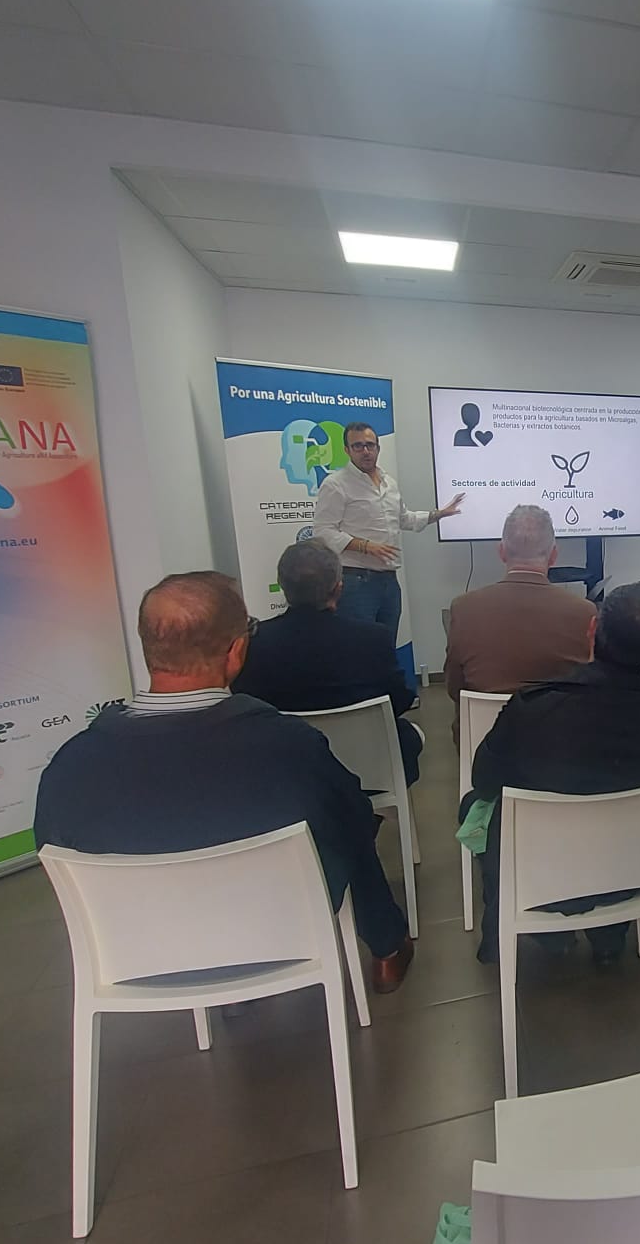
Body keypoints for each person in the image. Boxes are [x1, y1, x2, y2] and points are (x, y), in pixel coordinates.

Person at [34, 572, 414, 992]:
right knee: (347, 821)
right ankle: (387, 946)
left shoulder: (70, 766)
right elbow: (353, 817)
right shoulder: (288, 746)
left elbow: (53, 852)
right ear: (236, 651)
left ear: (148, 648)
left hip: (141, 960)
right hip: (277, 939)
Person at [467, 582, 640, 966]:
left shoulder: (533, 709)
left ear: (592, 630)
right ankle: (609, 937)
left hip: (543, 879)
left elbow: (484, 780)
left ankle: (551, 937)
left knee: (474, 808)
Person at [230, 538, 424, 786]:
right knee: (408, 735)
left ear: (282, 585)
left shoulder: (253, 643)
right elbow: (399, 701)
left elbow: (245, 703)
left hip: (283, 770)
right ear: (339, 587)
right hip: (368, 769)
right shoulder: (373, 638)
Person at [444, 505, 596, 726]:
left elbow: (454, 689)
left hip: (485, 739)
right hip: (560, 738)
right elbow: (591, 687)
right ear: (554, 555)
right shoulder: (585, 612)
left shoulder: (463, 608)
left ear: (501, 552)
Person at [312, 420, 464, 639]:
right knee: (358, 647)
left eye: (370, 445)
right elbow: (323, 531)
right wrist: (366, 546)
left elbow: (404, 519)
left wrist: (439, 514)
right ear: (347, 450)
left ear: (378, 447)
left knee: (385, 645)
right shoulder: (335, 484)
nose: (365, 451)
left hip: (389, 581)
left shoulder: (389, 483)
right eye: (358, 446)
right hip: (356, 580)